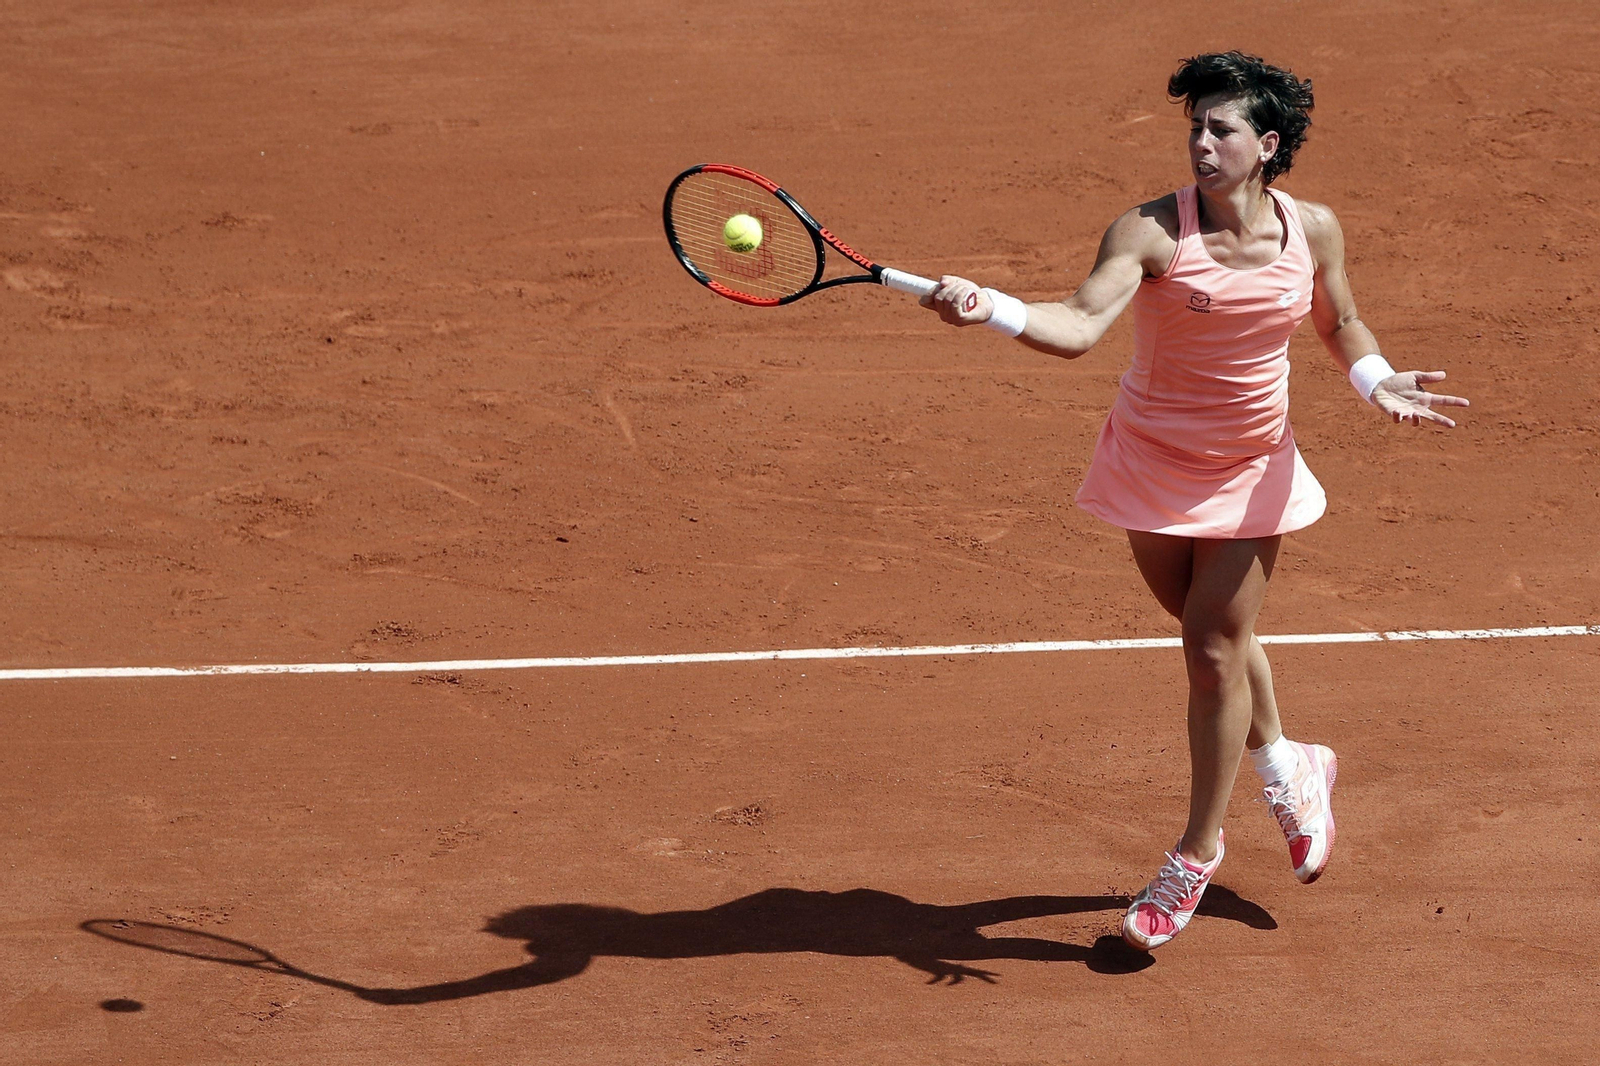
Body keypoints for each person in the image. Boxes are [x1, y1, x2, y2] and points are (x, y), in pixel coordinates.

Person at [923, 51, 1468, 951]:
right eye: (1197, 127)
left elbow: (1338, 322)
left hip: (1254, 465)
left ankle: (1193, 857)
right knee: (1212, 627)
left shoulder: (1314, 229)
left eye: (1222, 129)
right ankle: (1291, 759)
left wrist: (1375, 380)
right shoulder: (1148, 231)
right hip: (1152, 461)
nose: (1202, 142)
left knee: (1211, 644)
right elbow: (1080, 324)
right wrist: (995, 309)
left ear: (1268, 144)